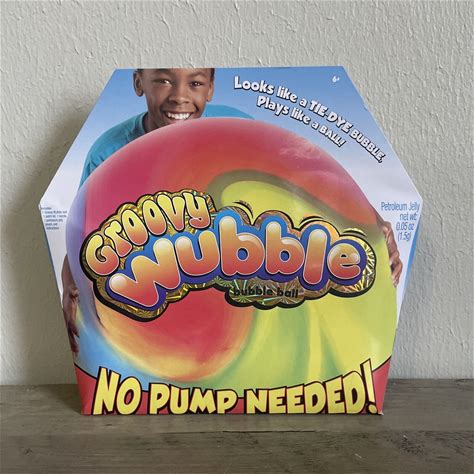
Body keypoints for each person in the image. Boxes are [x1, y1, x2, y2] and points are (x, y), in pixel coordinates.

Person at [62, 67, 402, 354]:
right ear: (139, 82)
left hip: (230, 261)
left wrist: (373, 222)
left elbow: (308, 174)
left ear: (210, 88)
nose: (180, 96)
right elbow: (84, 236)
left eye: (195, 83)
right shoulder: (108, 153)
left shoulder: (237, 127)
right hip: (155, 282)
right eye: (163, 80)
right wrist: (70, 285)